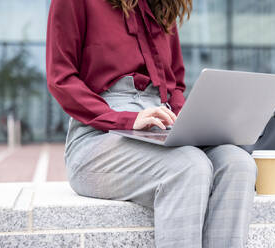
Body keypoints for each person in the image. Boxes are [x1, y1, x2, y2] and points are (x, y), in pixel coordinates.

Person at [46, 0, 257, 247]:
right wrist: (127, 119)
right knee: (189, 166)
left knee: (238, 163)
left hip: (161, 126)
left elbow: (175, 84)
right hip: (96, 139)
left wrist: (192, 124)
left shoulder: (161, 6)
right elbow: (60, 78)